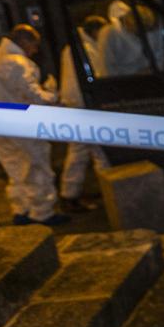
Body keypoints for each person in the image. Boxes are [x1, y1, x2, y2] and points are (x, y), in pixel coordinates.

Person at [0, 24, 70, 226]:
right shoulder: (17, 62)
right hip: (20, 124)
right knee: (36, 167)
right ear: (24, 41)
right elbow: (32, 95)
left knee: (15, 168)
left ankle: (21, 209)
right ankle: (43, 213)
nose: (35, 51)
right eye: (34, 45)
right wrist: (53, 96)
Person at [58, 15, 110, 212]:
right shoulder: (86, 50)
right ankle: (105, 187)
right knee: (96, 151)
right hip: (83, 107)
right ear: (95, 31)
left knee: (81, 150)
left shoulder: (72, 47)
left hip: (74, 106)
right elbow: (97, 78)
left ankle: (70, 193)